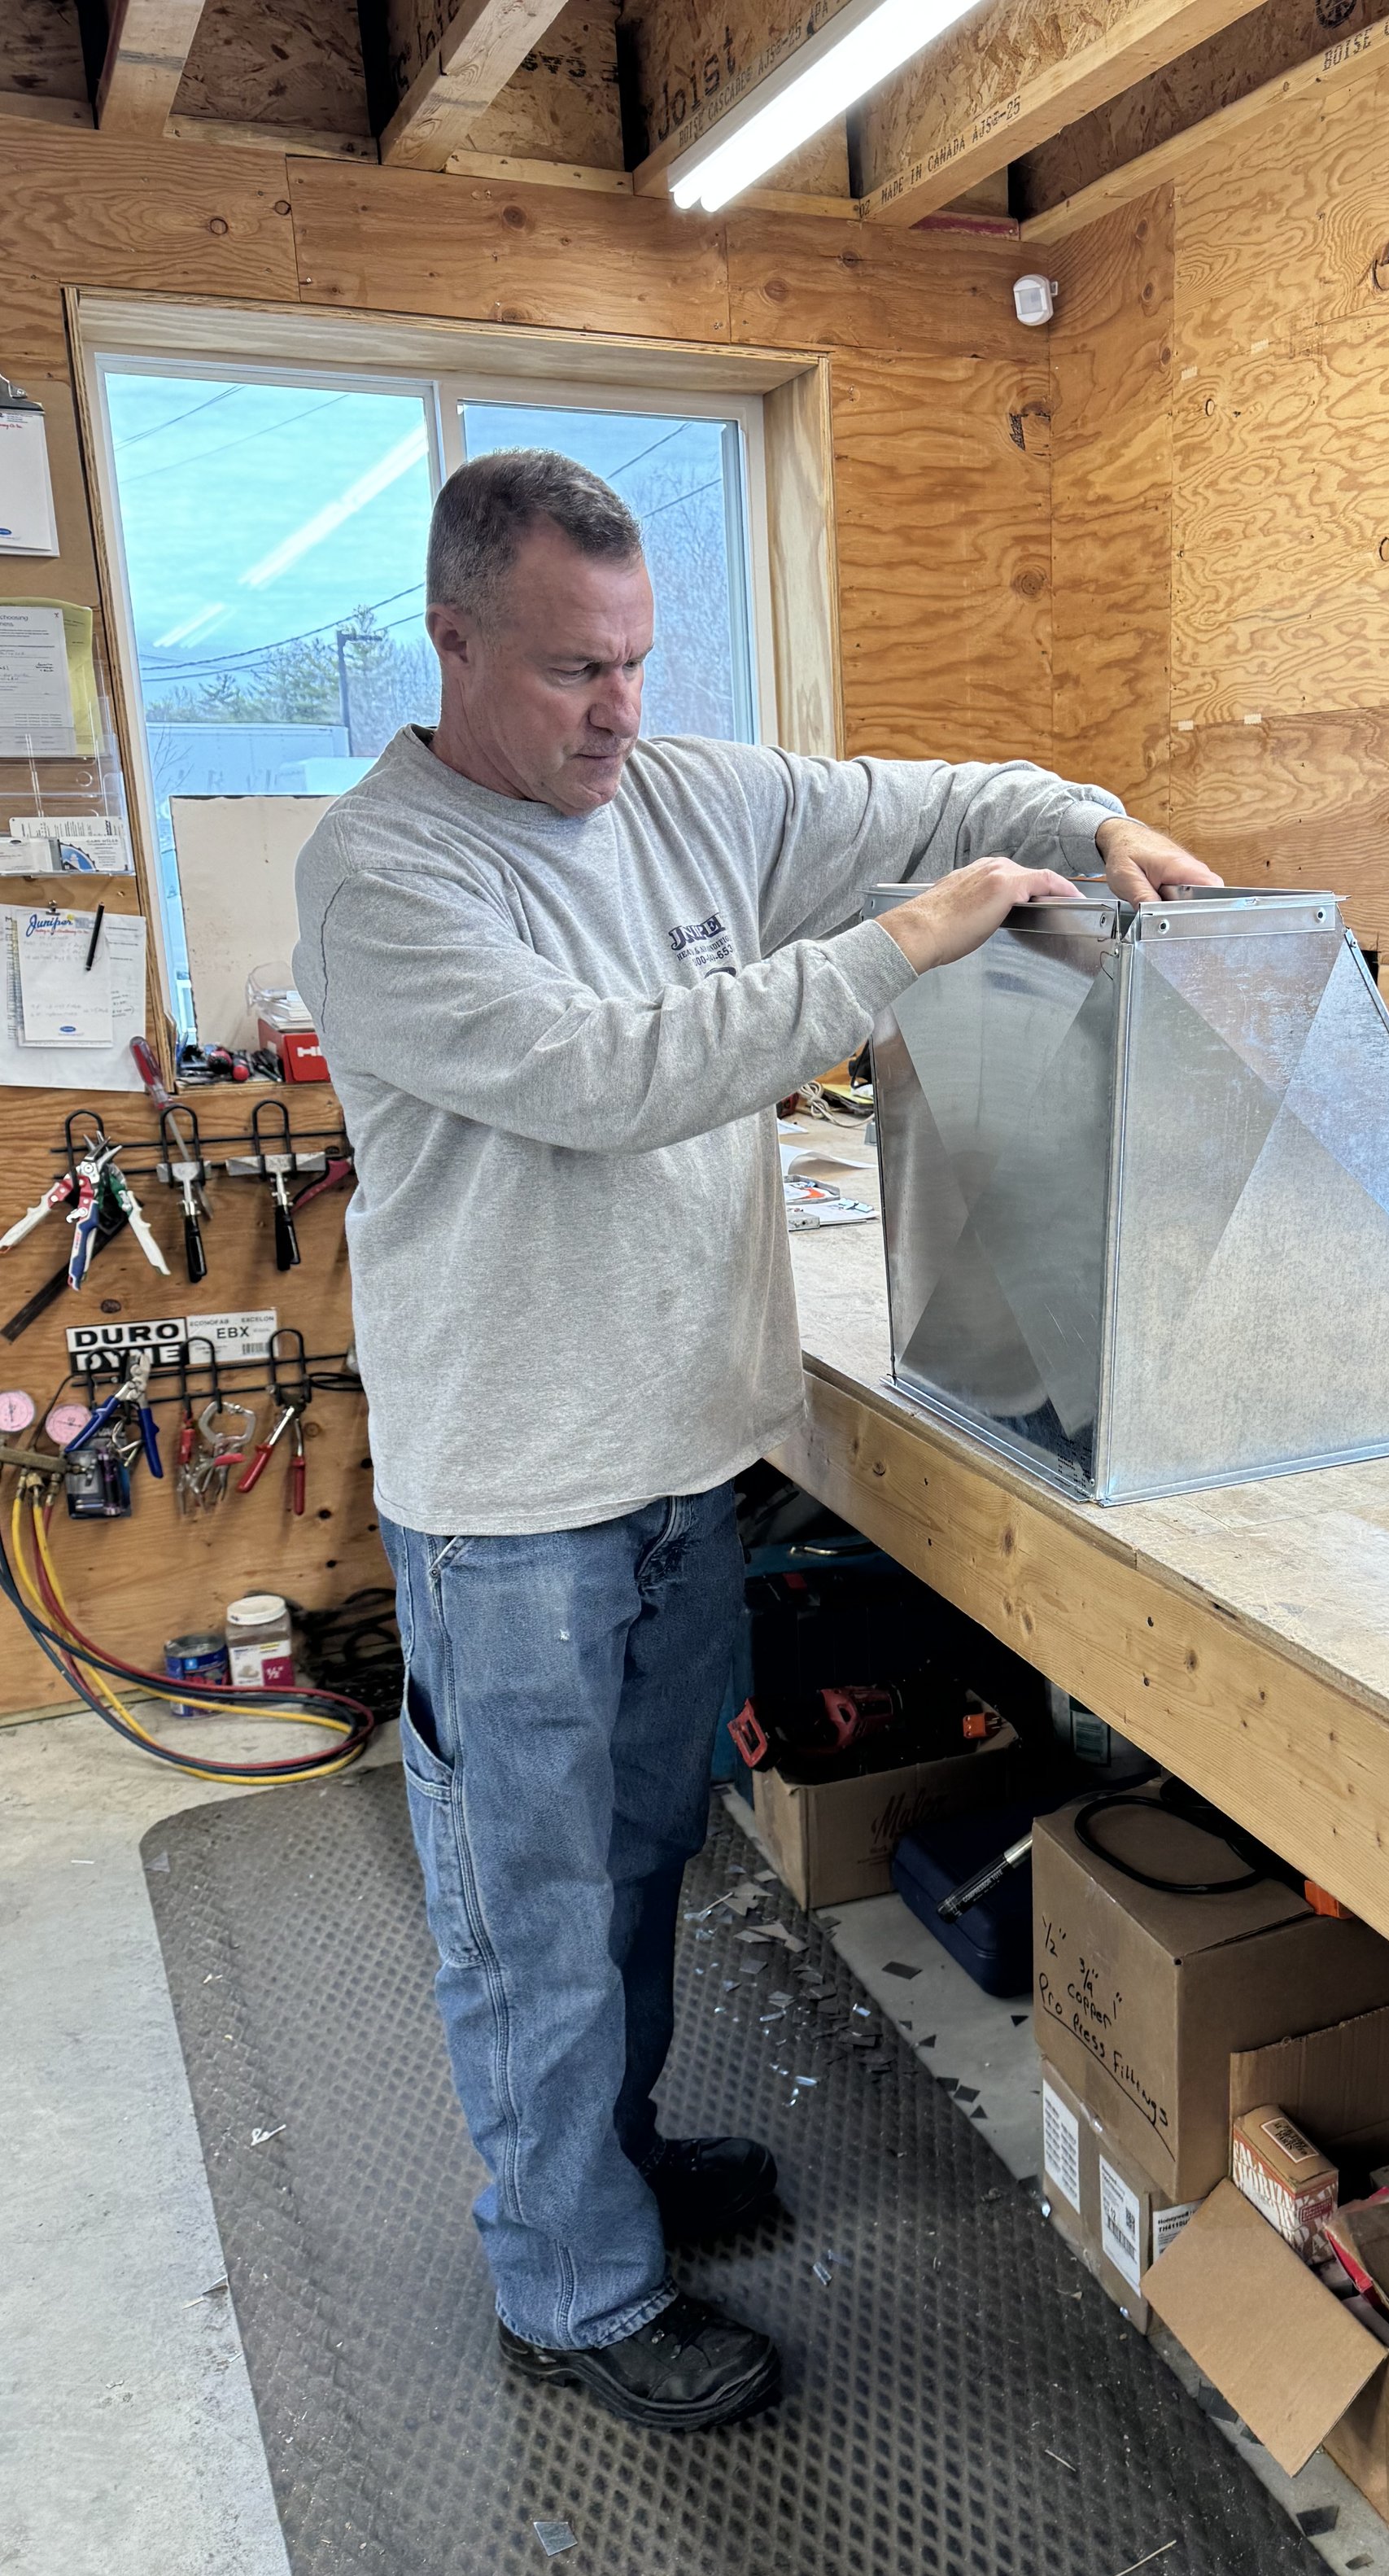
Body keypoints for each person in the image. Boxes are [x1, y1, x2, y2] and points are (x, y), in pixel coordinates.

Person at [292, 448, 1216, 2435]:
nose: (617, 710)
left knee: (637, 1870)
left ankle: (603, 2165)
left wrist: (1089, 817)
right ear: (452, 642)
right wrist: (903, 946)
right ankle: (569, 2286)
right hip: (510, 1512)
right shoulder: (384, 877)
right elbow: (616, 1073)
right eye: (571, 669)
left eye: (635, 660)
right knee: (532, 1921)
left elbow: (930, 799)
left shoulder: (680, 790)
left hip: (678, 1467)